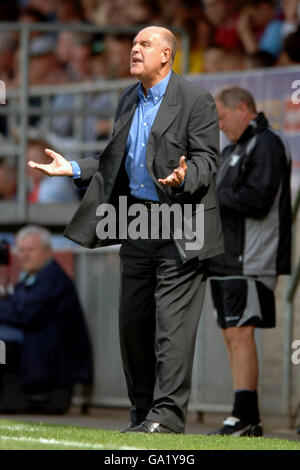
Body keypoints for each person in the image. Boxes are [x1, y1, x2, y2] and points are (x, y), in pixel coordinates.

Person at [28, 26, 223, 434]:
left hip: (183, 227)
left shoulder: (196, 100)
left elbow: (207, 161)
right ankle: (143, 414)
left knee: (172, 330)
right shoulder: (127, 98)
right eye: (133, 44)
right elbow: (114, 157)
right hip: (137, 224)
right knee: (133, 327)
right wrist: (75, 168)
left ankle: (167, 420)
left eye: (144, 45)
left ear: (167, 54)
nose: (134, 49)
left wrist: (184, 177)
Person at [208, 86, 292, 436]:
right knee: (231, 333)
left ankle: (244, 416)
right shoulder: (232, 150)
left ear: (244, 109)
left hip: (253, 257)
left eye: (223, 118)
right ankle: (247, 416)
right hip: (225, 257)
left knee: (242, 332)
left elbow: (257, 200)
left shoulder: (267, 144)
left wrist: (210, 195)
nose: (221, 125)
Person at [0, 225, 93, 396]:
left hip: (52, 360)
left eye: (31, 250)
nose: (25, 255)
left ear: (47, 251)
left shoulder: (53, 278)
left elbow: (26, 314)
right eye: (21, 250)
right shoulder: (30, 277)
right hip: (35, 351)